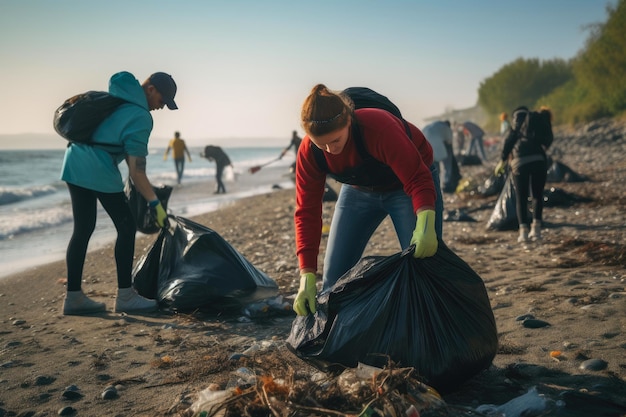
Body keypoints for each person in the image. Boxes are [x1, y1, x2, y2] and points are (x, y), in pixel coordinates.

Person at [292, 84, 443, 316]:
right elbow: (307, 211)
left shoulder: (378, 126)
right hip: (358, 190)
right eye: (321, 144)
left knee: (422, 266)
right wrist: (306, 275)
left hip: (406, 186)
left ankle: (431, 331)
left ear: (348, 122)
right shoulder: (309, 152)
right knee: (333, 284)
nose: (330, 151)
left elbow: (418, 178)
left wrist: (425, 222)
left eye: (335, 141)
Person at [60, 71, 178, 315]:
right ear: (151, 89)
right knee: (126, 227)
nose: (161, 108)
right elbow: (136, 171)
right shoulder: (140, 116)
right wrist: (155, 203)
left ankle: (73, 298)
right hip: (97, 168)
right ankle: (125, 296)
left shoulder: (115, 98)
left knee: (82, 229)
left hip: (73, 162)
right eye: (162, 101)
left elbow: (125, 157)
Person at [495, 106, 552, 243]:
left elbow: (508, 143)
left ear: (515, 116)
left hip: (520, 163)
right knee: (537, 195)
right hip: (539, 160)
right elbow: (548, 139)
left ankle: (523, 232)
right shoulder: (535, 123)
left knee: (522, 198)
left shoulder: (515, 127)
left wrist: (502, 160)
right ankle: (536, 231)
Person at [422, 120, 461, 193]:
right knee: (447, 166)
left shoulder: (430, 126)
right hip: (439, 148)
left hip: (427, 149)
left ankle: (436, 185)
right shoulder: (446, 128)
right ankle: (446, 182)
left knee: (435, 169)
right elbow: (449, 142)